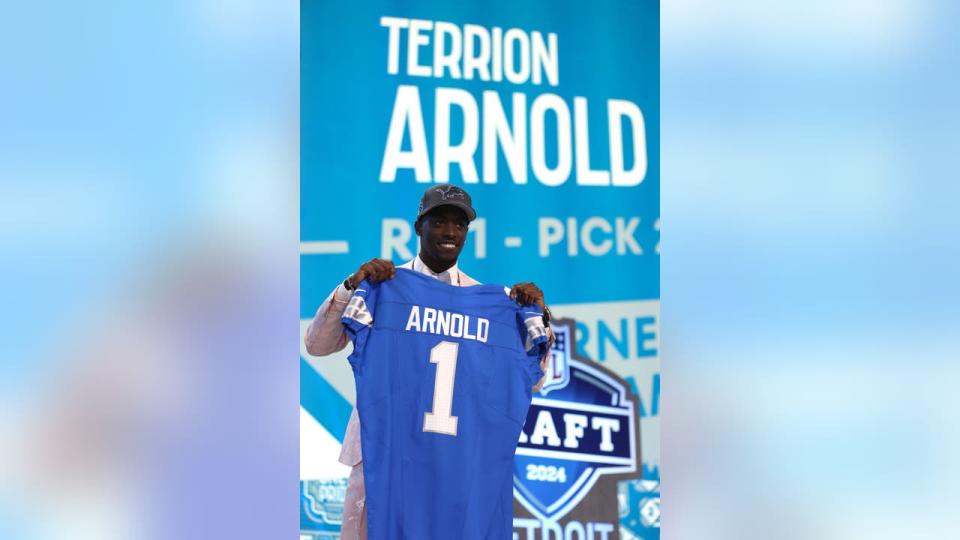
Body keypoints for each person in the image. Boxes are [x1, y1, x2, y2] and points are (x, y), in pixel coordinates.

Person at [304, 184, 552, 540]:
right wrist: (351, 286)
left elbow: (533, 380)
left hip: (454, 460)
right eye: (439, 222)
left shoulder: (493, 303)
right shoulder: (382, 285)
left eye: (459, 224)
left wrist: (537, 316)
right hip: (383, 455)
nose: (450, 232)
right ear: (419, 226)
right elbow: (317, 344)